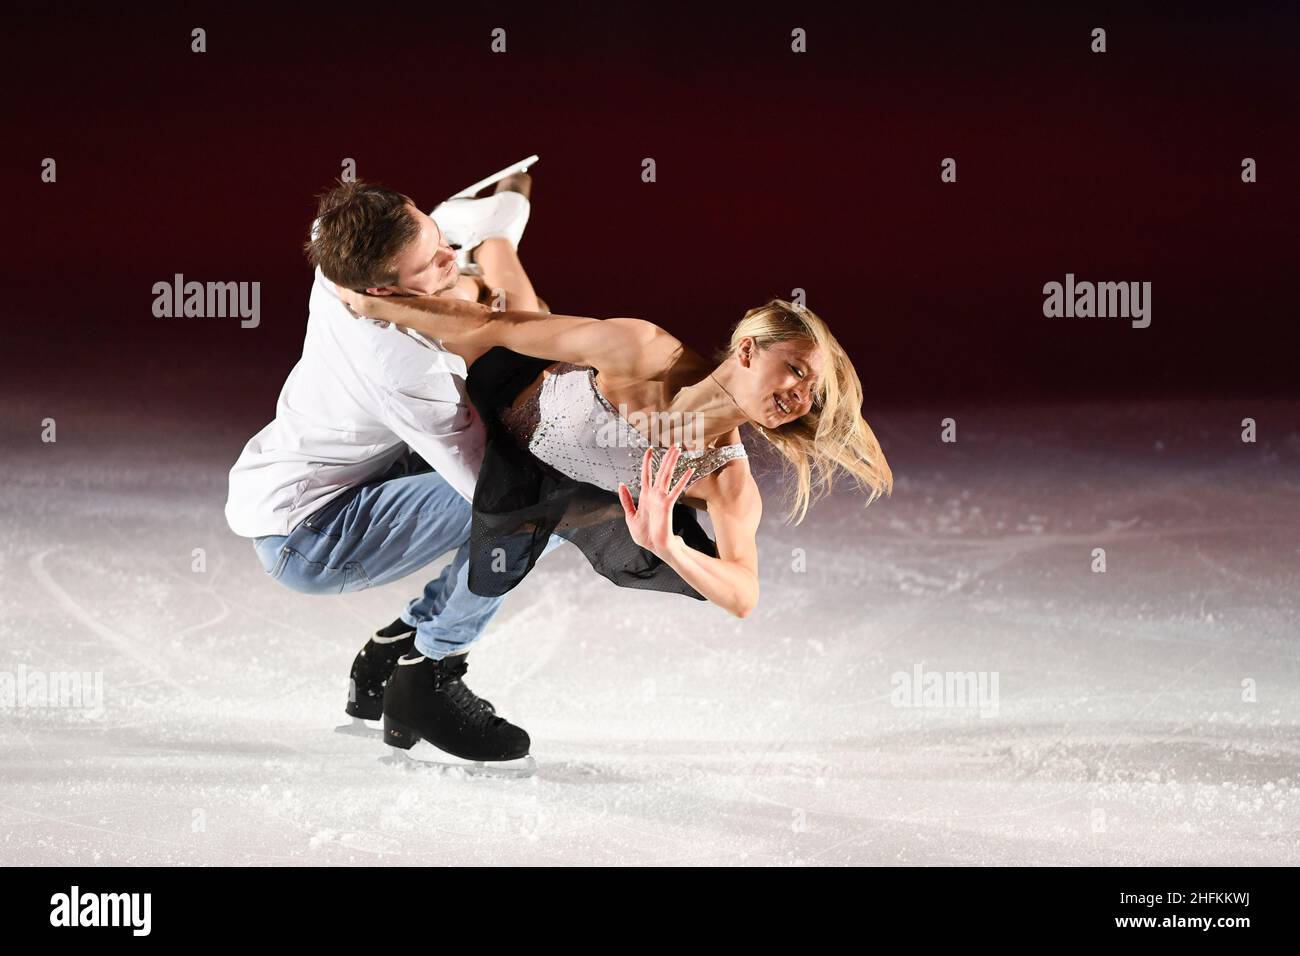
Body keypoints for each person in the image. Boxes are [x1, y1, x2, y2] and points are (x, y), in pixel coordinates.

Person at [224, 174, 564, 767]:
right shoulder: (406, 373)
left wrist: (481, 228)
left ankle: (396, 649)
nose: (448, 257)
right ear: (381, 291)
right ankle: (429, 672)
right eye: (430, 264)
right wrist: (500, 247)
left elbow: (433, 239)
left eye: (437, 238)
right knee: (547, 501)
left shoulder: (334, 253)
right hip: (313, 537)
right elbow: (501, 503)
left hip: (331, 477)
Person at [330, 287, 894, 626]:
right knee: (514, 305)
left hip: (549, 479)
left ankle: (426, 649)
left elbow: (743, 595)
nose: (801, 397)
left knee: (497, 563)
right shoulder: (643, 349)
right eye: (798, 370)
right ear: (747, 349)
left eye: (813, 395)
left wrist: (669, 546)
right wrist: (374, 302)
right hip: (510, 390)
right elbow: (491, 324)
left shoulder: (725, 479)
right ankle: (497, 230)